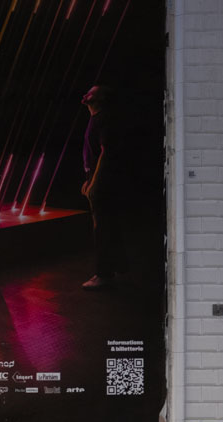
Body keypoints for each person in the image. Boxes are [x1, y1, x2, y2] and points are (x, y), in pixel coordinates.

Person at [80, 84, 130, 290]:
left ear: (99, 99)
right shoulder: (96, 118)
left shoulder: (104, 119)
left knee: (102, 227)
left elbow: (105, 152)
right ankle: (119, 265)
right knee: (109, 224)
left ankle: (104, 274)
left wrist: (94, 182)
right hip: (99, 178)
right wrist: (88, 178)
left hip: (104, 181)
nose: (87, 93)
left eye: (92, 92)